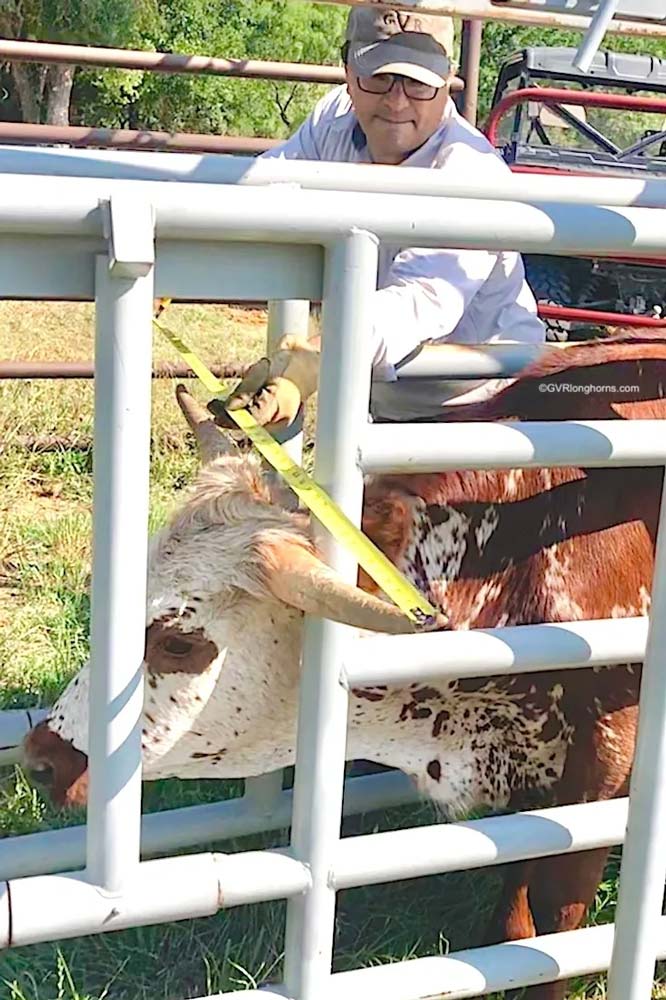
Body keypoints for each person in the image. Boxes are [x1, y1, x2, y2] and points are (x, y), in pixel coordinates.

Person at [209, 7, 545, 430]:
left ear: (448, 79)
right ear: (347, 70)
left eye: (418, 80)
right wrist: (180, 243)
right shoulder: (331, 123)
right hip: (385, 398)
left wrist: (319, 359)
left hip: (484, 408)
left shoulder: (469, 172)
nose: (397, 100)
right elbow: (262, 189)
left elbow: (416, 302)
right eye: (379, 76)